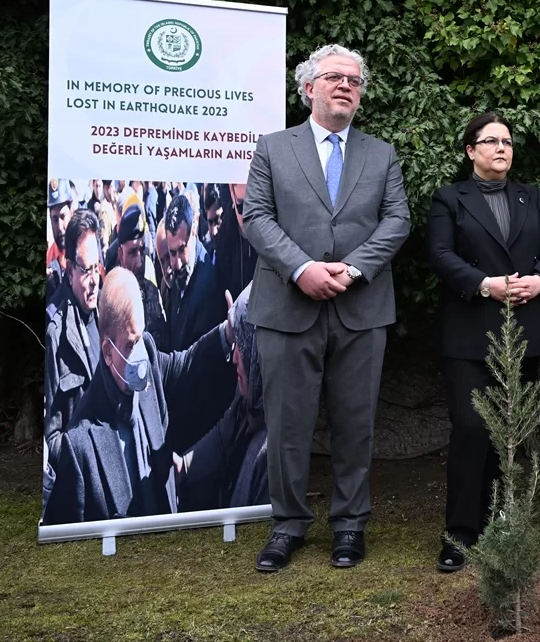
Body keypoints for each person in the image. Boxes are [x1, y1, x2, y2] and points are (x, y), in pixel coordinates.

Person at [242, 43, 410, 572]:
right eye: (334, 77)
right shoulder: (272, 148)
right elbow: (257, 217)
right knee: (287, 424)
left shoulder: (381, 153)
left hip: (361, 307)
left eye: (354, 81)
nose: (345, 86)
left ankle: (350, 525)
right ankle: (287, 526)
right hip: (288, 305)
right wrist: (303, 269)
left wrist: (353, 269)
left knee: (355, 423)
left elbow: (396, 220)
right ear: (308, 87)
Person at [425, 112, 540, 572]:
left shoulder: (531, 195)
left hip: (523, 329)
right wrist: (487, 284)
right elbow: (440, 255)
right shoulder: (450, 198)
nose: (502, 148)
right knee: (470, 428)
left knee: (511, 432)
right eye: (491, 141)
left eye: (507, 141)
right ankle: (461, 534)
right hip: (468, 332)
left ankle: (503, 525)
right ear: (470, 151)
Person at [43, 268, 237, 525]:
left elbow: (185, 364)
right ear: (108, 351)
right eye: (130, 345)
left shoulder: (148, 353)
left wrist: (226, 334)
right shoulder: (79, 447)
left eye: (141, 336)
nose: (140, 357)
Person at [174, 283, 268, 511]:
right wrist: (182, 465)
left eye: (242, 345)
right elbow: (222, 438)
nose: (234, 357)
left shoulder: (271, 454)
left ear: (261, 351)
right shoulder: (250, 397)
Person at [44, 208, 103, 469]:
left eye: (96, 268)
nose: (94, 281)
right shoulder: (55, 334)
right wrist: (81, 462)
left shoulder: (105, 310)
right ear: (69, 271)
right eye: (85, 271)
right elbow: (52, 437)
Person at [162, 193, 223, 353]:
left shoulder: (207, 290)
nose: (176, 263)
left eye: (182, 250)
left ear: (194, 230)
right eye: (172, 252)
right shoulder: (180, 275)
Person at [115, 204, 167, 345]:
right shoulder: (113, 302)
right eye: (132, 253)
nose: (139, 263)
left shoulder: (152, 291)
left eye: (142, 250)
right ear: (121, 254)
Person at [213, 182, 258, 300]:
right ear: (231, 190)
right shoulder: (224, 240)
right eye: (242, 206)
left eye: (254, 205)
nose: (248, 217)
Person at [46, 179, 74, 297]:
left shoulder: (84, 248)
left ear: (71, 213)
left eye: (63, 217)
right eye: (55, 219)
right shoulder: (49, 258)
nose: (59, 226)